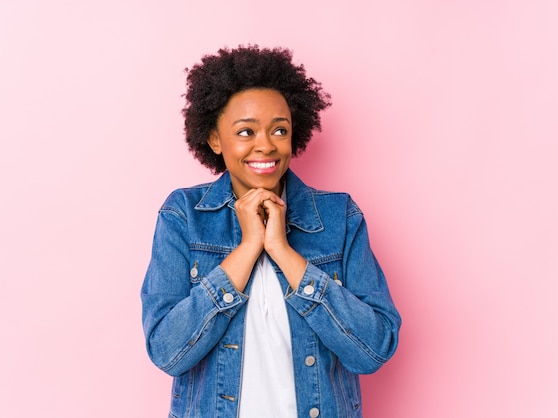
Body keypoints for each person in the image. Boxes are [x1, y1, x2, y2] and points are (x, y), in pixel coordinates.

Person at [141, 45, 401, 418]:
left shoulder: (339, 217)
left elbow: (374, 348)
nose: (265, 145)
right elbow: (167, 351)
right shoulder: (183, 216)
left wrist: (283, 251)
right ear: (215, 139)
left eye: (279, 129)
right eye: (245, 131)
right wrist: (248, 247)